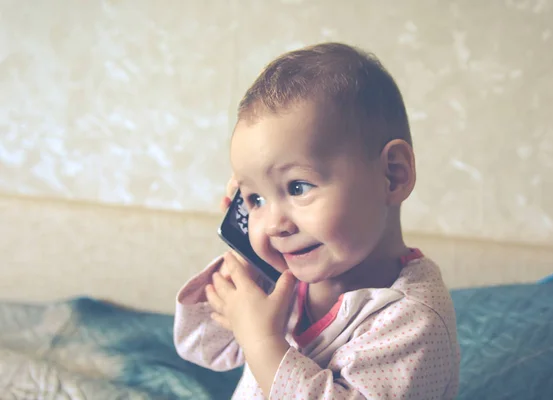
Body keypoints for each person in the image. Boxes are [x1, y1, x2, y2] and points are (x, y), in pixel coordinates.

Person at [174, 42, 460, 399]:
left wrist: (262, 342)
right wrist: (248, 262)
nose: (274, 224)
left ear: (393, 175)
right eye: (256, 199)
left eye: (297, 187)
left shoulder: (413, 318)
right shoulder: (283, 276)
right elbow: (202, 345)